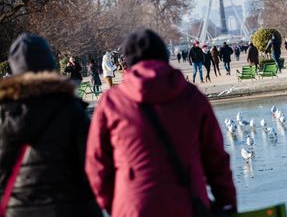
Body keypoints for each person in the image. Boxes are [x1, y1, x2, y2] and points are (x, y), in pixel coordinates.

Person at [85, 28, 237, 217]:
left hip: (134, 206)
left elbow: (96, 167)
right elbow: (216, 160)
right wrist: (227, 203)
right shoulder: (191, 96)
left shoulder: (111, 103)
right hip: (188, 205)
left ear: (128, 62)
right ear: (164, 56)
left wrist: (116, 207)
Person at [0, 33, 102, 217]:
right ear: (50, 63)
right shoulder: (71, 109)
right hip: (72, 207)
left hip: (19, 209)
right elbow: (92, 164)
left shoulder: (4, 114)